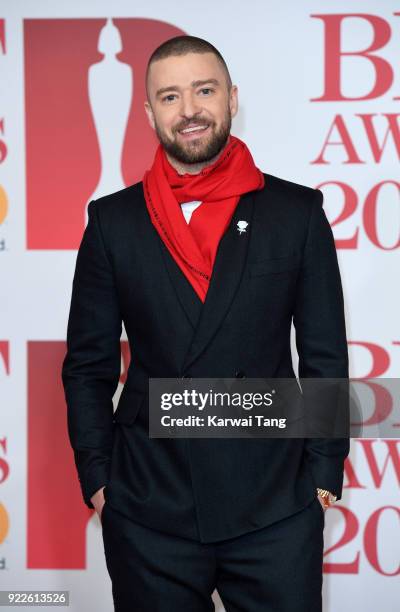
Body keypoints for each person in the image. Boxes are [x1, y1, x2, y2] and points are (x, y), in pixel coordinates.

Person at [61, 35, 349, 612]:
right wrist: (99, 479)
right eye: (169, 96)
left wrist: (321, 476)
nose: (188, 109)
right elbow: (87, 365)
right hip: (148, 502)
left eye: (204, 90)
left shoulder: (296, 213)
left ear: (232, 98)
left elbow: (324, 355)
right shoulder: (112, 222)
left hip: (275, 504)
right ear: (148, 113)